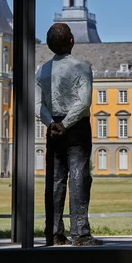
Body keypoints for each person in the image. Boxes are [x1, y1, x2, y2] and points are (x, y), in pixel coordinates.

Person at [35, 23, 102, 247]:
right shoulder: (81, 68)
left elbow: (37, 104)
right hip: (77, 127)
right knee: (79, 176)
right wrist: (66, 124)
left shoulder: (41, 71)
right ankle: (80, 233)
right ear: (71, 41)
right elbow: (83, 102)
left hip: (53, 127)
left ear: (49, 44)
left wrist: (52, 123)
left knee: (54, 179)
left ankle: (54, 232)